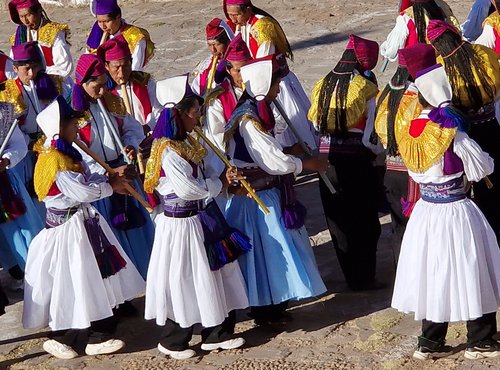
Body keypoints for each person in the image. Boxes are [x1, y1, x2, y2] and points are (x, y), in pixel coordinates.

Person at [391, 62, 500, 361]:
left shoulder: (407, 128)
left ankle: (430, 341)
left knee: (432, 272)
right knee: (472, 268)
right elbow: (483, 168)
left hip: (426, 210)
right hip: (456, 209)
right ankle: (480, 338)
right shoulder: (450, 132)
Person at [23, 95, 145, 359]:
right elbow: (79, 191)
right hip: (68, 231)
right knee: (74, 281)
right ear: (60, 128)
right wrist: (109, 187)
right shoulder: (54, 160)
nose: (77, 127)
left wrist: (114, 174)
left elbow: (87, 178)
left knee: (96, 277)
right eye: (71, 124)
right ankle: (63, 335)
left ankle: (99, 332)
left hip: (82, 225)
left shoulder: (68, 152)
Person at [143, 74, 249, 359]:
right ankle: (174, 339)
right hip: (180, 225)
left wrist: (223, 176)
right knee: (186, 278)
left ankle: (217, 332)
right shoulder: (167, 150)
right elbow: (188, 189)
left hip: (201, 218)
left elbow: (206, 173)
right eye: (193, 113)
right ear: (178, 114)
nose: (197, 118)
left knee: (217, 271)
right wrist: (219, 185)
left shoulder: (187, 142)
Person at [224, 55, 327, 325]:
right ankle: (265, 310)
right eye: (274, 85)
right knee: (268, 254)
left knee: (272, 253)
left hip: (267, 191)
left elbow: (268, 153)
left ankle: (273, 307)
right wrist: (305, 163)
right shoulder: (248, 119)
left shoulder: (252, 110)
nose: (279, 90)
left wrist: (287, 150)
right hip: (255, 199)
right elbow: (271, 162)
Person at [309, 35, 385, 291]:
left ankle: (351, 276)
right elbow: (370, 135)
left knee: (339, 222)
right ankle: (366, 276)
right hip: (357, 164)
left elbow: (315, 126)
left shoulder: (322, 84)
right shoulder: (365, 86)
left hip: (327, 163)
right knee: (364, 220)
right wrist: (378, 153)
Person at [72, 53, 153, 279]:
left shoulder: (113, 101)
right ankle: (122, 289)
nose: (102, 91)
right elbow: (76, 152)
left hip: (123, 171)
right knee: (110, 237)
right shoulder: (72, 113)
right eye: (97, 87)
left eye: (104, 85)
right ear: (83, 83)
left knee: (138, 233)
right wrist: (106, 173)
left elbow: (132, 128)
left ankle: (145, 275)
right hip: (100, 179)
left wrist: (130, 145)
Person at [428, 19, 500, 241]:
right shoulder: (482, 53)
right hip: (491, 128)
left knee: (469, 189)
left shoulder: (440, 67)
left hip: (463, 136)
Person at [224, 0, 318, 151]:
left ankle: (308, 156)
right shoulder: (241, 25)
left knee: (294, 122)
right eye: (230, 15)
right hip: (261, 82)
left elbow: (264, 62)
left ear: (248, 10)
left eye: (236, 15)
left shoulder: (262, 27)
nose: (233, 20)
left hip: (273, 83)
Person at [374, 44, 434, 254]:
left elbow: (370, 140)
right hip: (414, 175)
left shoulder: (383, 95)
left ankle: (401, 276)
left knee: (398, 227)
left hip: (390, 171)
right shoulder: (422, 99)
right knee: (420, 232)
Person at [0, 41, 70, 221]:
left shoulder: (56, 83)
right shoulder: (7, 92)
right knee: (31, 193)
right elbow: (9, 128)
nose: (31, 74)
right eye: (26, 69)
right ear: (15, 68)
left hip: (52, 148)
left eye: (35, 68)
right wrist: (30, 142)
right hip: (25, 151)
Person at [0, 102, 43, 286]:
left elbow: (18, 145)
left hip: (7, 183)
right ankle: (15, 271)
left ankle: (39, 273)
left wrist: (6, 160)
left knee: (27, 230)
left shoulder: (4, 111)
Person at [98, 35, 162, 134]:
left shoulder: (144, 82)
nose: (122, 73)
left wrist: (147, 128)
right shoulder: (103, 91)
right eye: (116, 68)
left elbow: (158, 111)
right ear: (107, 66)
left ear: (131, 62)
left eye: (125, 66)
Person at [204, 34, 252, 151]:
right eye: (238, 71)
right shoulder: (218, 98)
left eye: (246, 69)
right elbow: (217, 134)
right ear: (228, 70)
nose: (243, 75)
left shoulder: (261, 88)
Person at [8, 0, 73, 78]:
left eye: (28, 15)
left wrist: (40, 76)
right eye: (21, 16)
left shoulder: (54, 33)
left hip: (53, 81)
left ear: (39, 11)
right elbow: (14, 65)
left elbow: (64, 66)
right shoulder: (18, 37)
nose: (25, 21)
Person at [380, 0, 459, 63]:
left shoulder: (406, 17)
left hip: (417, 67)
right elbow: (457, 30)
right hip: (444, 62)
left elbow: (392, 50)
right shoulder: (442, 6)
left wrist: (384, 49)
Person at [86, 0, 155, 72]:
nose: (103, 26)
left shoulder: (134, 37)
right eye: (99, 22)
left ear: (118, 17)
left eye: (107, 21)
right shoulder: (96, 35)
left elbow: (136, 70)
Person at [191, 18, 234, 97]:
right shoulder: (206, 66)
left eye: (216, 44)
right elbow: (196, 90)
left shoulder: (237, 63)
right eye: (210, 45)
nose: (213, 50)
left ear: (228, 42)